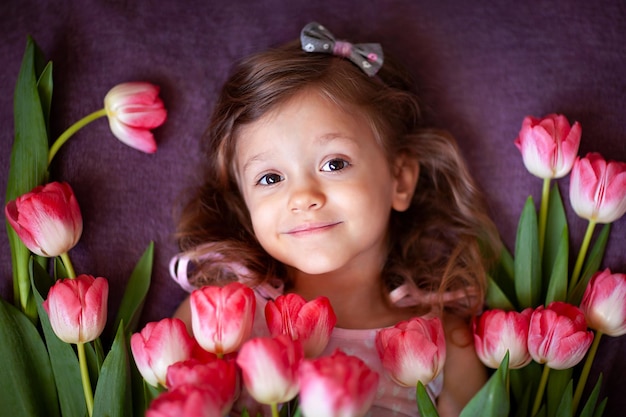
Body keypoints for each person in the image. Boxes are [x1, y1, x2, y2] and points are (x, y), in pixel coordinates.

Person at [171, 22, 500, 417]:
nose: (303, 197)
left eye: (334, 163)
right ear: (244, 202)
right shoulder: (223, 324)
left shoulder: (443, 346)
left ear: (399, 180)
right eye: (270, 178)